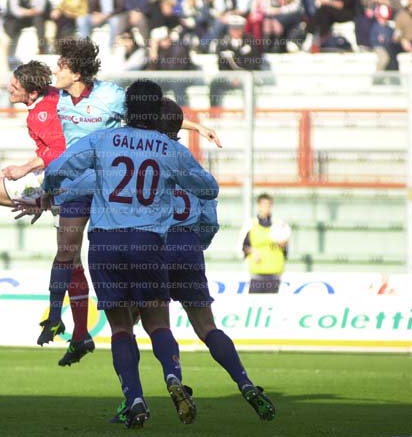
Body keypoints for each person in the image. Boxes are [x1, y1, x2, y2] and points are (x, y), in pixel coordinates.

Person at [41, 80, 219, 429]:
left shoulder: (102, 139)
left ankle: (134, 398)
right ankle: (172, 377)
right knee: (157, 323)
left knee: (121, 328)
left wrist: (49, 190)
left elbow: (57, 170)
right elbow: (208, 189)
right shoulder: (170, 149)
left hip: (106, 244)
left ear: (127, 107)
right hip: (147, 243)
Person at [33, 38, 221, 366]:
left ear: (76, 72)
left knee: (109, 260)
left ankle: (105, 334)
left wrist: (195, 126)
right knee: (67, 251)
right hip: (79, 179)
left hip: (107, 180)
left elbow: (155, 114)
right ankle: (63, 321)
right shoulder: (55, 98)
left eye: (60, 66)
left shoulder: (111, 96)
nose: (54, 71)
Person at [114, 97, 277, 423]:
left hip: (152, 246)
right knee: (206, 326)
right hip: (188, 248)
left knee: (136, 324)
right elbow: (209, 220)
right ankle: (245, 383)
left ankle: (149, 391)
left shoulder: (144, 160)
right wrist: (194, 244)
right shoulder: (191, 165)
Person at [0, 60, 62, 207]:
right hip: (60, 171)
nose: (9, 89)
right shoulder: (52, 93)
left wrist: (24, 169)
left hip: (59, 178)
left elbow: (59, 150)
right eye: (11, 83)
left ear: (33, 94)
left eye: (15, 88)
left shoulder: (41, 115)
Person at [242, 193, 289, 294]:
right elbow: (243, 246)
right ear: (259, 206)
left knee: (272, 303)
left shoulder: (280, 225)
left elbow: (285, 248)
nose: (266, 208)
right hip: (257, 275)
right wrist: (252, 251)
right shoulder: (250, 224)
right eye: (264, 205)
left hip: (274, 274)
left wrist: (283, 244)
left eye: (269, 205)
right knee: (254, 303)